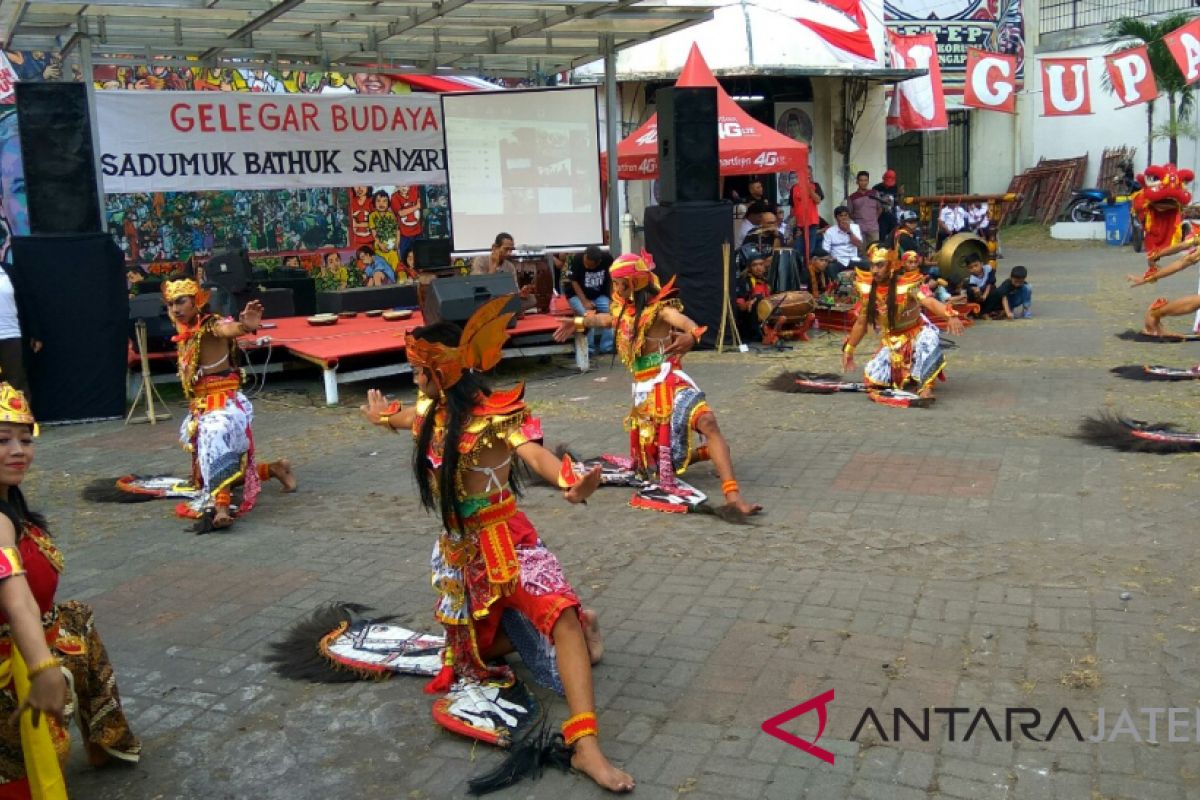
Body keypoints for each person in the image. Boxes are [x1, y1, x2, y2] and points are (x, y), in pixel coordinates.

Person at [359, 301, 634, 792]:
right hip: (460, 552)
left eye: (418, 369)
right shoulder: (430, 412)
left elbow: (537, 458)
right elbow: (406, 420)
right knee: (483, 657)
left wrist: (572, 483)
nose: (413, 378)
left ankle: (586, 746)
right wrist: (382, 418)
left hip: (508, 541)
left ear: (439, 371)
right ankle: (584, 641)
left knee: (560, 614)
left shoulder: (496, 418)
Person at [0, 381, 141, 793]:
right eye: (3, 440)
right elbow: (16, 595)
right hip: (18, 658)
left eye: (26, 439)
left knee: (79, 617)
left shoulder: (11, 503)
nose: (18, 450)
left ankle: (105, 740)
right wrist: (44, 668)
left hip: (41, 630)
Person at [553, 252, 761, 517]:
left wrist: (692, 336)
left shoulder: (660, 309)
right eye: (614, 283)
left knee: (707, 421)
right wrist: (578, 322)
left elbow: (685, 322)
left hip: (668, 379)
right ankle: (707, 453)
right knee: (656, 464)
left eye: (619, 283)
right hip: (643, 392)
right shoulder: (622, 310)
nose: (615, 288)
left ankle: (733, 496)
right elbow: (606, 320)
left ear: (634, 283)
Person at [163, 276, 296, 530]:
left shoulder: (210, 325)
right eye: (170, 304)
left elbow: (227, 329)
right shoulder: (185, 334)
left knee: (214, 442)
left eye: (181, 301)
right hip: (201, 408)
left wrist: (244, 326)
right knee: (206, 474)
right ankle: (274, 469)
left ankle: (221, 506)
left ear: (197, 302)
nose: (175, 309)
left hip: (223, 407)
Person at [842, 246, 964, 402]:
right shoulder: (867, 289)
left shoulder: (909, 285)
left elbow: (930, 302)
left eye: (880, 265)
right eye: (872, 265)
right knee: (874, 379)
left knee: (929, 338)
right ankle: (909, 372)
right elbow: (861, 323)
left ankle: (926, 387)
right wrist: (849, 349)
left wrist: (950, 315)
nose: (874, 270)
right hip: (892, 340)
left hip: (916, 334)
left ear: (891, 266)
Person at [567, 246, 615, 355]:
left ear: (598, 263)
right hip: (576, 296)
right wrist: (584, 301)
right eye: (585, 262)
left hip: (599, 294)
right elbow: (574, 282)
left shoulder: (607, 259)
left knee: (611, 311)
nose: (586, 265)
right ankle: (588, 349)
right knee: (587, 315)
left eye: (589, 265)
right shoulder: (577, 259)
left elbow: (612, 279)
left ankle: (607, 347)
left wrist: (612, 298)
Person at [0, 265, 39, 399]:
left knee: (16, 382)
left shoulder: (9, 271)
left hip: (12, 335)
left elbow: (26, 302)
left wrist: (35, 333)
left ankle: (21, 419)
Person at [735, 255, 773, 343]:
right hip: (748, 320)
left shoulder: (766, 282)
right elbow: (740, 306)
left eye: (761, 264)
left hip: (765, 317)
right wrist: (749, 303)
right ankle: (761, 334)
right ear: (749, 268)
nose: (758, 267)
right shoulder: (743, 281)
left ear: (764, 267)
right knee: (758, 298)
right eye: (754, 265)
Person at [844, 171, 884, 248]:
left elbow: (880, 209)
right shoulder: (852, 197)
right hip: (859, 229)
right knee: (861, 252)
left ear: (868, 181)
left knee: (874, 251)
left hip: (873, 228)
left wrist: (874, 219)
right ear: (857, 182)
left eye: (865, 180)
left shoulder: (874, 193)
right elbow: (850, 213)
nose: (863, 182)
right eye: (861, 180)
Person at [823, 205, 863, 277]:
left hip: (853, 259)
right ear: (836, 218)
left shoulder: (855, 227)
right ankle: (835, 286)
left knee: (868, 265)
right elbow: (825, 250)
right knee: (830, 268)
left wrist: (849, 231)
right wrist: (831, 258)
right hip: (838, 260)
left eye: (846, 215)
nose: (844, 218)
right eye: (841, 216)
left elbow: (859, 245)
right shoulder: (830, 231)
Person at [367, 191, 401, 273]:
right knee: (382, 268)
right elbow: (374, 232)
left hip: (392, 248)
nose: (381, 203)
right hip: (380, 248)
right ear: (374, 203)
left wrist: (397, 242)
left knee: (395, 267)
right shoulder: (372, 216)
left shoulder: (391, 215)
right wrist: (380, 244)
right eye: (378, 201)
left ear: (388, 203)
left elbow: (397, 230)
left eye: (384, 201)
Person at [873, 169, 901, 244]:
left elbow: (897, 202)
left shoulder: (895, 188)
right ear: (883, 179)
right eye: (887, 182)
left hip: (892, 215)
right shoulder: (876, 188)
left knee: (895, 236)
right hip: (881, 216)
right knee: (881, 237)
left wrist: (899, 196)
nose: (888, 185)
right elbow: (873, 203)